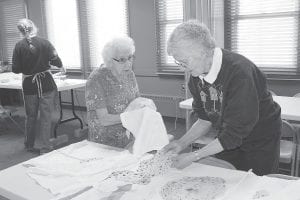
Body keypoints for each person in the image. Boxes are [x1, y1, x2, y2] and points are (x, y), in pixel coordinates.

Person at [163, 20, 282, 176]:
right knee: (225, 176)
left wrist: (194, 156)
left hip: (259, 138)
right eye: (178, 62)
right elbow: (205, 119)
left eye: (184, 61)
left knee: (255, 184)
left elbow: (234, 134)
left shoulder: (240, 73)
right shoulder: (196, 76)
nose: (180, 68)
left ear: (204, 52)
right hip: (228, 136)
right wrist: (181, 143)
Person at [12, 18, 65, 154]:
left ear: (20, 31)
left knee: (31, 116)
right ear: (33, 27)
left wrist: (28, 66)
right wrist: (60, 66)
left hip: (29, 86)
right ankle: (45, 148)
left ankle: (29, 145)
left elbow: (16, 69)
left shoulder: (18, 46)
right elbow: (56, 60)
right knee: (46, 117)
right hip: (46, 84)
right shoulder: (45, 43)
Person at [85, 36, 140, 148]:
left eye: (130, 57)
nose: (128, 64)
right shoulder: (96, 79)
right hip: (105, 141)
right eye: (122, 60)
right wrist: (133, 116)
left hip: (129, 137)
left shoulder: (129, 74)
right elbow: (104, 119)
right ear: (109, 60)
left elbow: (137, 101)